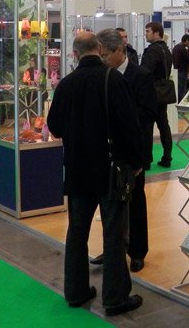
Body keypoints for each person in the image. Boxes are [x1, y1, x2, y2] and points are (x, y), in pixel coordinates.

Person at [46, 31, 144, 316]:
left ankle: (75, 291)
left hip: (77, 170)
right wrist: (137, 161)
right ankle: (115, 297)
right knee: (114, 234)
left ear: (75, 54)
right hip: (110, 170)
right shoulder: (113, 80)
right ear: (99, 48)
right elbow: (130, 126)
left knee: (77, 232)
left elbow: (55, 126)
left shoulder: (66, 84)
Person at [91, 29, 157, 273]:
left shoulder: (141, 75)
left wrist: (121, 117)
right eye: (100, 56)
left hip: (133, 150)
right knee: (110, 204)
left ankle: (137, 251)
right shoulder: (102, 75)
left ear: (120, 51)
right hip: (107, 151)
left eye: (106, 55)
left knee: (135, 200)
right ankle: (112, 248)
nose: (103, 60)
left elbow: (149, 113)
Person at [141, 21, 174, 168]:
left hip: (151, 93)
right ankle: (167, 157)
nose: (145, 34)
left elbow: (145, 72)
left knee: (147, 127)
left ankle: (146, 160)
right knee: (164, 126)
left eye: (148, 31)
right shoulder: (166, 50)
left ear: (156, 33)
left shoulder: (152, 51)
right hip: (163, 93)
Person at [171, 34, 189, 102]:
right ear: (186, 40)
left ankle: (177, 102)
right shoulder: (183, 49)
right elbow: (188, 59)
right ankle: (181, 103)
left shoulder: (175, 47)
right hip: (182, 71)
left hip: (176, 70)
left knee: (178, 88)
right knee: (182, 88)